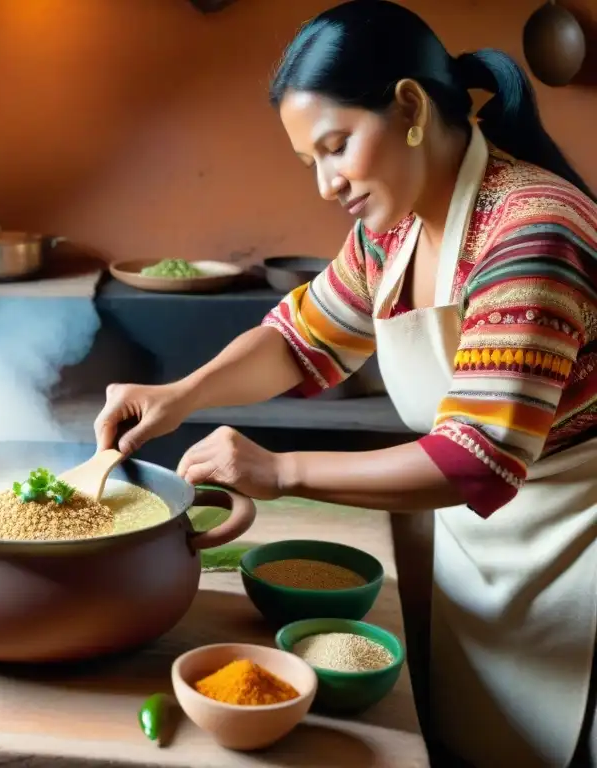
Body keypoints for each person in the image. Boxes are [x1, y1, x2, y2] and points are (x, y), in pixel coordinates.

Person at [94, 1, 597, 766]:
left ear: (409, 106)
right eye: (312, 162)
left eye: (337, 148)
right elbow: (299, 341)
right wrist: (182, 395)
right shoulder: (391, 231)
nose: (327, 184)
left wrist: (278, 471)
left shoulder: (531, 231)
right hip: (497, 546)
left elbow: (473, 459)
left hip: (577, 555)